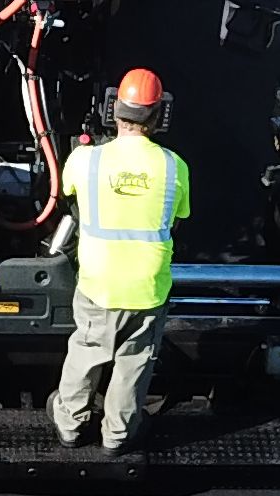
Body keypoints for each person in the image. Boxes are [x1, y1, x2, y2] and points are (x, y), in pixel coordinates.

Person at [51, 67, 187, 453]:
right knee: (134, 363)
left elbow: (66, 191)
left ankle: (70, 425)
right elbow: (179, 218)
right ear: (159, 115)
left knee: (87, 353)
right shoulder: (176, 168)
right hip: (148, 286)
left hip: (99, 281)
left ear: (115, 111)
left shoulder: (84, 159)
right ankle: (117, 435)